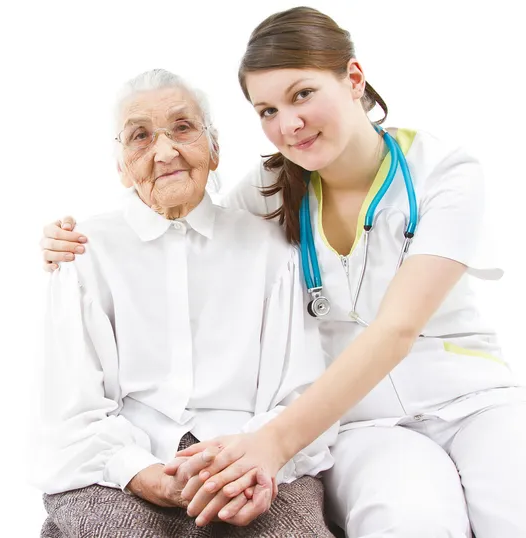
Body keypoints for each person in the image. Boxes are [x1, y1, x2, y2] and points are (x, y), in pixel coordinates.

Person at [39, 7, 526, 538]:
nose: (288, 124)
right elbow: (185, 218)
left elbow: (397, 330)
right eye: (266, 109)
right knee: (411, 519)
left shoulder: (443, 172)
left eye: (302, 94)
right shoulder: (269, 189)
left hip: (471, 400)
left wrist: (271, 443)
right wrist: (67, 245)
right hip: (360, 422)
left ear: (354, 79)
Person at [33, 67, 338, 538]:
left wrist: (246, 459)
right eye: (139, 137)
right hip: (119, 463)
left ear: (214, 150)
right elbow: (70, 412)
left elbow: (301, 397)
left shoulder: (274, 251)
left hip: (255, 458)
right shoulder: (84, 254)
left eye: (183, 128)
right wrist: (140, 470)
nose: (164, 151)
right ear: (120, 166)